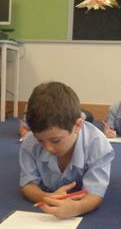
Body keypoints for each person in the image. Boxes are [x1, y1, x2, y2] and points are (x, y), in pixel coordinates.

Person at [19, 82, 115, 218]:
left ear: (78, 126)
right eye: (40, 140)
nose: (48, 148)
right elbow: (27, 185)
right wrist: (47, 196)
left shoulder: (98, 145)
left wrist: (77, 207)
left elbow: (95, 194)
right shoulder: (30, 142)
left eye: (55, 140)